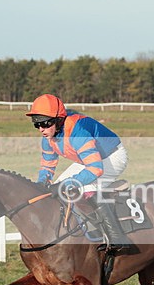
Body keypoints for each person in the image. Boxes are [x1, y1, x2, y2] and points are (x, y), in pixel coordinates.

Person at [26, 93, 133, 253]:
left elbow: (96, 168)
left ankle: (116, 237)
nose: (41, 129)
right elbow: (48, 166)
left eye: (45, 123)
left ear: (58, 119)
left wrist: (68, 183)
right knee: (57, 189)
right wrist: (42, 183)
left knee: (81, 188)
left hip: (112, 157)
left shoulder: (77, 131)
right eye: (37, 124)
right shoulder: (48, 136)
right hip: (90, 160)